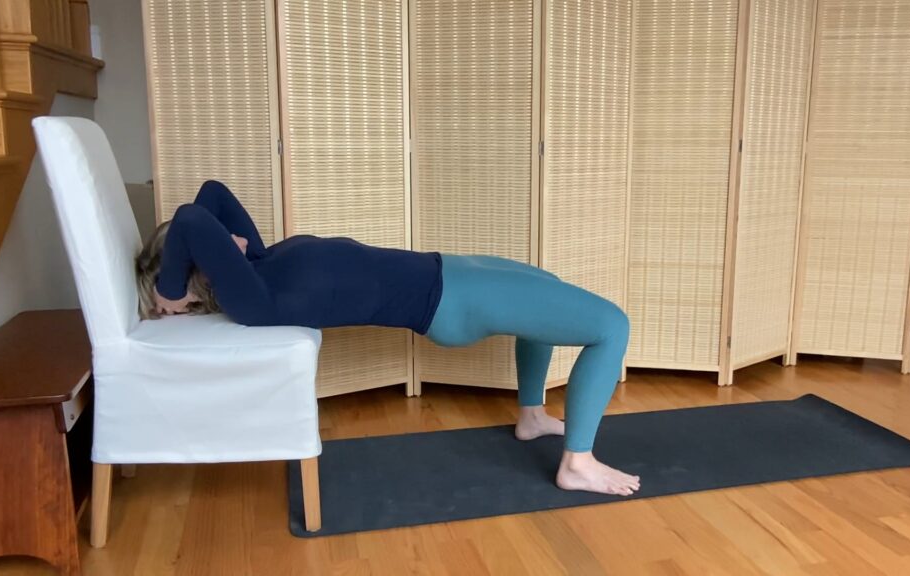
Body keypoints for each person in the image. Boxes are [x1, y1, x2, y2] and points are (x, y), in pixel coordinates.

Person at [136, 180, 639, 496]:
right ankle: (578, 462)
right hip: (453, 303)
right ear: (204, 272)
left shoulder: (257, 263)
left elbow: (212, 193)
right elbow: (191, 218)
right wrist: (169, 289)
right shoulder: (254, 300)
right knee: (611, 326)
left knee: (545, 287)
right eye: (220, 245)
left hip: (448, 270)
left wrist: (183, 271)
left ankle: (532, 416)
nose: (234, 236)